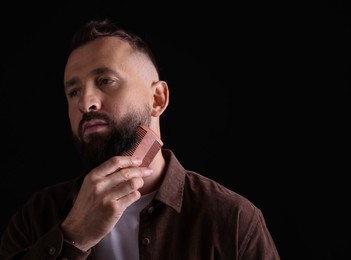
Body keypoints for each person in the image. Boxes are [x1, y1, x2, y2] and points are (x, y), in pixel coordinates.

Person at [0, 18, 280, 259]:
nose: (85, 102)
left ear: (157, 98)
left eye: (105, 81)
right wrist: (73, 235)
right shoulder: (35, 217)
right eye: (73, 92)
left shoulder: (233, 220)